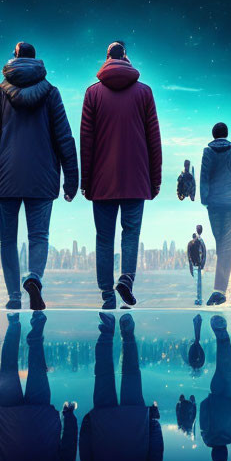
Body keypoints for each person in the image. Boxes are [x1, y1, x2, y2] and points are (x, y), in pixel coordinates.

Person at [0, 42, 78, 310]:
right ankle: (34, 278)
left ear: (15, 58)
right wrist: (71, 180)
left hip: (7, 177)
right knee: (39, 236)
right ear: (37, 60)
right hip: (43, 177)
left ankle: (13, 297)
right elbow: (64, 139)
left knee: (8, 239)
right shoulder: (51, 93)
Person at [80, 41, 162, 309]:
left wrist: (85, 181)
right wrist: (155, 179)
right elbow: (154, 140)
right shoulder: (145, 93)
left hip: (102, 180)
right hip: (137, 179)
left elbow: (86, 142)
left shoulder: (92, 94)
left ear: (106, 58)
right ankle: (126, 279)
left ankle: (106, 294)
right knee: (130, 234)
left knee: (103, 237)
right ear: (127, 57)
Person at [0, 312, 78, 461]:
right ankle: (14, 322)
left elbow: (68, 453)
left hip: (41, 417)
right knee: (8, 367)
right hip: (9, 420)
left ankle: (36, 327)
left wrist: (69, 416)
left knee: (36, 370)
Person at [79, 313, 163, 461]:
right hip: (103, 423)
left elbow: (155, 453)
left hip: (135, 422)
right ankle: (107, 330)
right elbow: (86, 453)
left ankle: (127, 331)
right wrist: (87, 425)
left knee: (131, 372)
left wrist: (153, 422)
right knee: (104, 374)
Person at [199, 123, 231, 306]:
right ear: (226, 134)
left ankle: (219, 290)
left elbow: (204, 177)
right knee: (225, 245)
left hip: (214, 204)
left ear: (213, 135)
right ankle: (220, 290)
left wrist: (205, 199)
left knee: (221, 244)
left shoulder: (207, 152)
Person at [199, 315, 231, 461]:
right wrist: (209, 401)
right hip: (216, 397)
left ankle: (222, 335)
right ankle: (220, 335)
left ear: (226, 452)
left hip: (230, 397)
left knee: (227, 370)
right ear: (213, 452)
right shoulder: (207, 437)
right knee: (222, 369)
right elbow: (203, 413)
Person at [187, 226, 208, 306]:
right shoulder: (199, 242)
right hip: (197, 265)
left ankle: (199, 299)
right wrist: (202, 263)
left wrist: (201, 264)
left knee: (198, 283)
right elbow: (203, 252)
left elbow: (203, 252)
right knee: (198, 283)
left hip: (197, 265)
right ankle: (199, 299)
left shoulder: (198, 242)